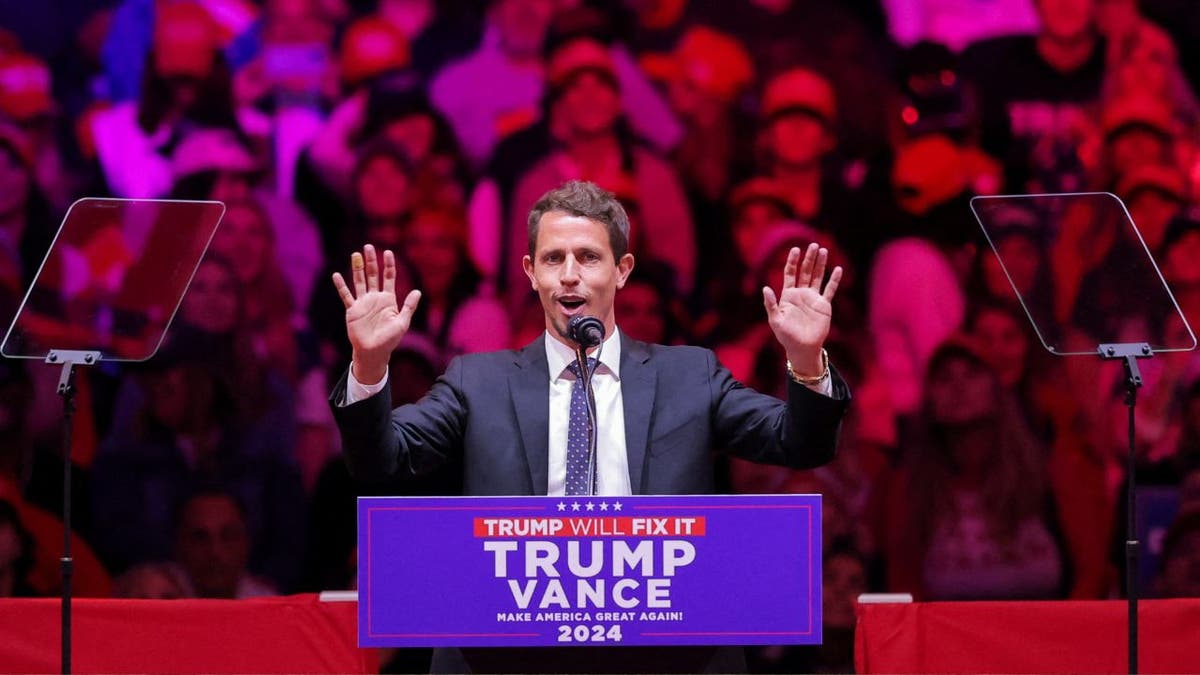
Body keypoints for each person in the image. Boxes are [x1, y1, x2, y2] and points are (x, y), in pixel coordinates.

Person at [329, 179, 849, 673]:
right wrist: (370, 367)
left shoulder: (689, 376)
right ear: (531, 272)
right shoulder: (477, 381)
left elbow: (798, 443)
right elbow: (382, 460)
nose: (570, 274)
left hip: (665, 661)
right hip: (511, 662)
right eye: (554, 259)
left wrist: (805, 361)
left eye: (589, 257)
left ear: (622, 270)